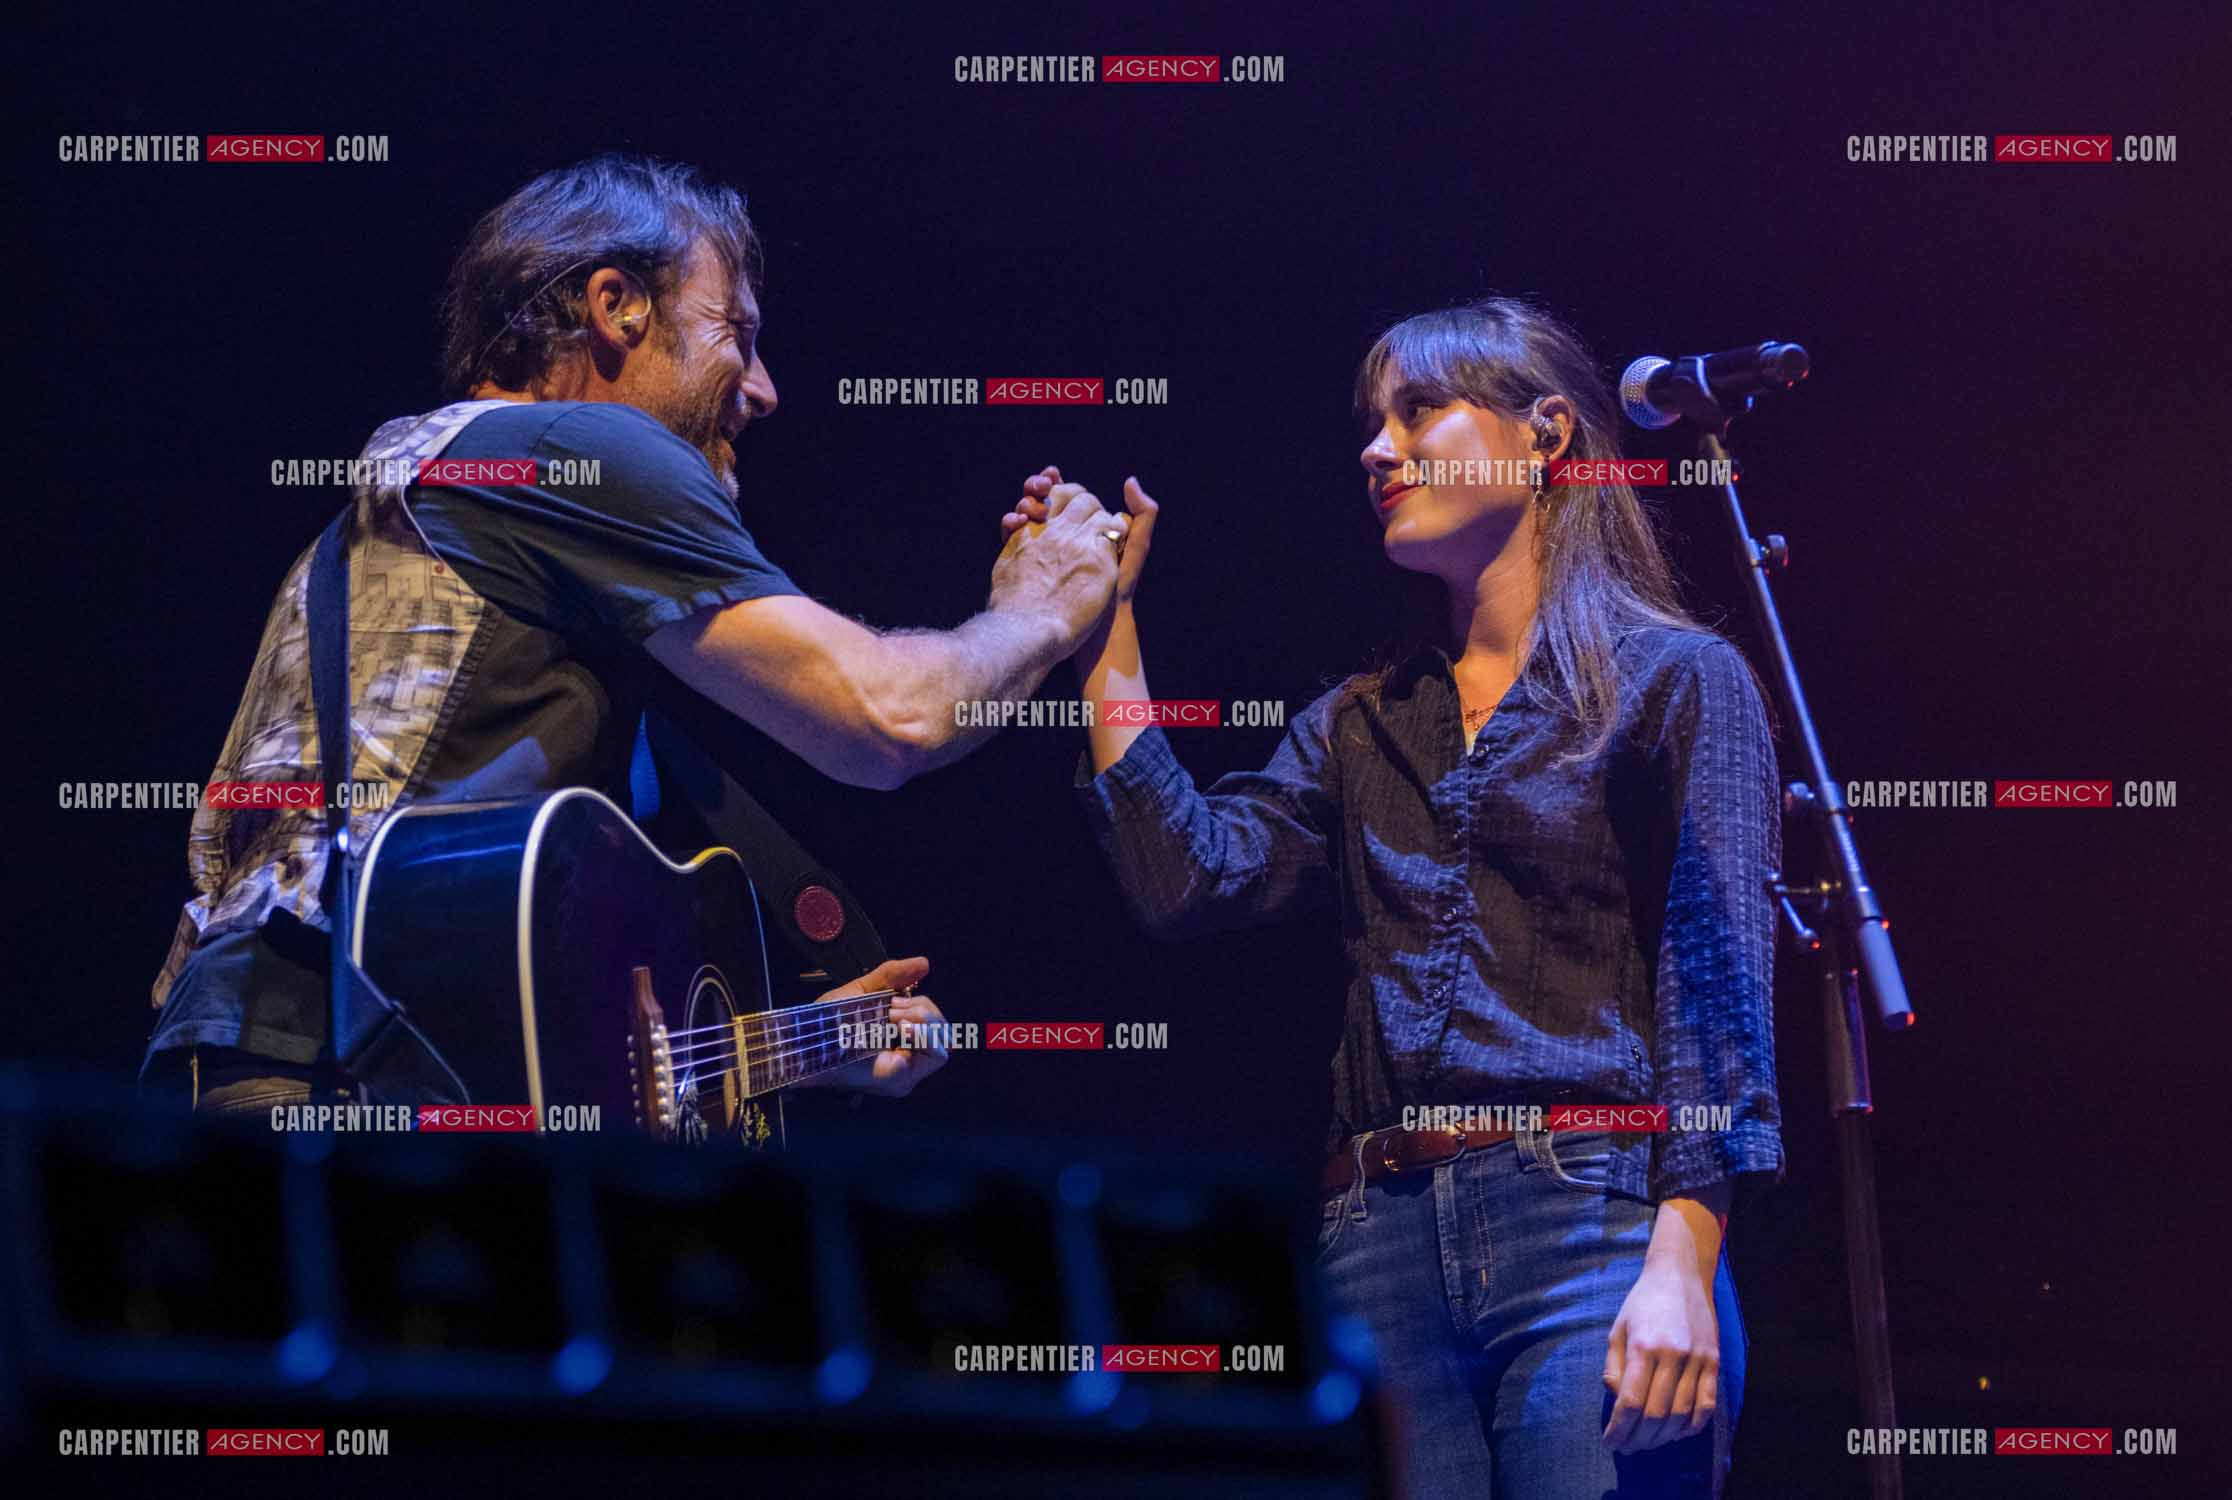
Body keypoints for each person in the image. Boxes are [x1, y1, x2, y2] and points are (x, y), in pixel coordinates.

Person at [142, 153, 1131, 1116]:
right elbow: (891, 720)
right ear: (616, 307)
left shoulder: (407, 528)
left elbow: (503, 976)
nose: (764, 389)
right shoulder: (581, 452)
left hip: (262, 1060)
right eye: (735, 331)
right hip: (360, 1077)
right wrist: (1046, 606)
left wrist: (780, 1049)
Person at [1005, 297, 1784, 1497]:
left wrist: (1685, 1252)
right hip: (1374, 1242)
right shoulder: (1366, 720)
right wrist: (1104, 629)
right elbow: (1188, 877)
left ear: (1549, 435)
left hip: (1594, 1226)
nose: (1379, 448)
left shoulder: (1676, 679)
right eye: (1374, 422)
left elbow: (1718, 982)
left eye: (1420, 409)